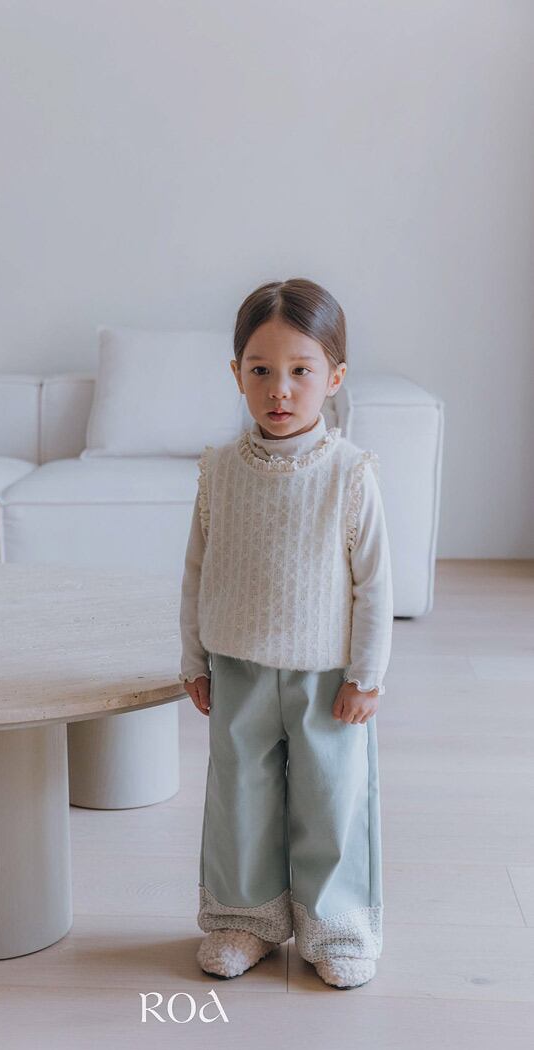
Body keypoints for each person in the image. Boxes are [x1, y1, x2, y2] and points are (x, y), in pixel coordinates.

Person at [179, 277, 393, 989]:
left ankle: (338, 926)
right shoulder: (219, 471)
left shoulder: (350, 474)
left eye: (301, 370)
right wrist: (194, 658)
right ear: (236, 372)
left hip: (326, 677)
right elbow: (197, 570)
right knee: (239, 795)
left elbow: (374, 585)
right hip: (238, 667)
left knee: (331, 800)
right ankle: (245, 919)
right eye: (261, 369)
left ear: (334, 377)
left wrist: (366, 676)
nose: (280, 389)